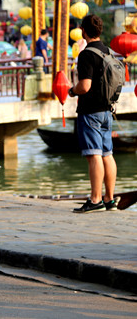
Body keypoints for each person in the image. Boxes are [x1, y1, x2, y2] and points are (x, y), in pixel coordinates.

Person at [68, 14, 119, 213]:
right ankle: (109, 198)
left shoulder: (87, 54)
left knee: (94, 155)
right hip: (108, 109)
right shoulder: (108, 52)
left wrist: (72, 91)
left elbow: (85, 86)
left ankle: (96, 199)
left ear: (83, 31)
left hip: (90, 112)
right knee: (108, 154)